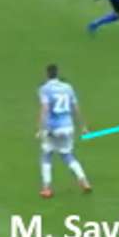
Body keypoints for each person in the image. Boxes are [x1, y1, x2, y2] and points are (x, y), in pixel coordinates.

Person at [36, 64, 91, 198]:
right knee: (67, 155)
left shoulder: (45, 89)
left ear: (47, 74)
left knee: (47, 155)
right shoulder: (68, 87)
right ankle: (84, 180)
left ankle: (46, 188)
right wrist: (83, 126)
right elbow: (75, 108)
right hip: (68, 127)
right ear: (57, 73)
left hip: (53, 128)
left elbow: (45, 109)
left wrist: (40, 129)